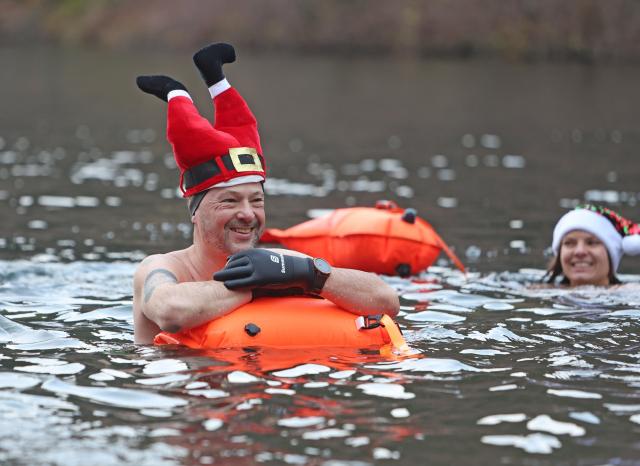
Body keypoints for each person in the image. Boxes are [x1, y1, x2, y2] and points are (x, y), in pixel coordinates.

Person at [132, 43, 399, 344]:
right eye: (230, 201)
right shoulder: (162, 268)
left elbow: (386, 300)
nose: (247, 213)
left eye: (256, 201)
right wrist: (261, 285)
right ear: (195, 211)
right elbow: (170, 310)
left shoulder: (281, 262)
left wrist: (310, 275)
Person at [544, 204, 640, 287]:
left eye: (591, 243)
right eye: (569, 243)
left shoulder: (633, 295)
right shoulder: (539, 292)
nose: (579, 251)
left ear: (611, 254)